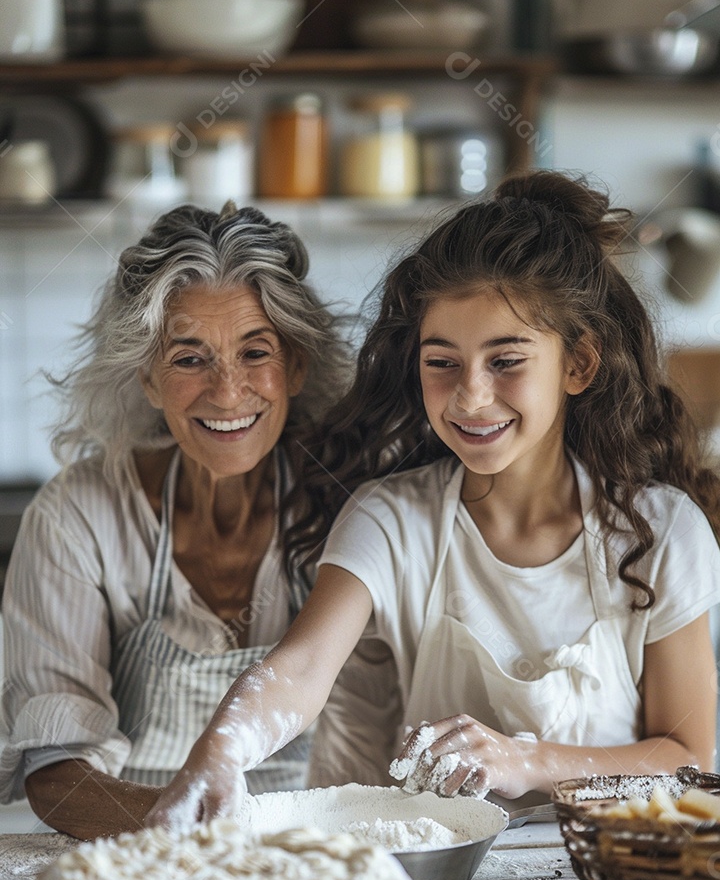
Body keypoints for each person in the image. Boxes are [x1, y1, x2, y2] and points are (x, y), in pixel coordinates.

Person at [144, 170, 720, 832]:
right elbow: (299, 671)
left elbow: (685, 758)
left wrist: (523, 761)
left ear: (578, 365)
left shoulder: (663, 532)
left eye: (505, 361)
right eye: (441, 362)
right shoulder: (390, 520)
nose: (471, 397)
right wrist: (220, 750)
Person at [0, 200, 354, 839]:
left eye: (255, 352)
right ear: (147, 378)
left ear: (296, 365)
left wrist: (275, 837)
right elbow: (56, 771)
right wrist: (208, 827)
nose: (226, 391)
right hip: (136, 845)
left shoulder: (351, 502)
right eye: (189, 358)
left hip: (322, 843)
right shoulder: (78, 516)